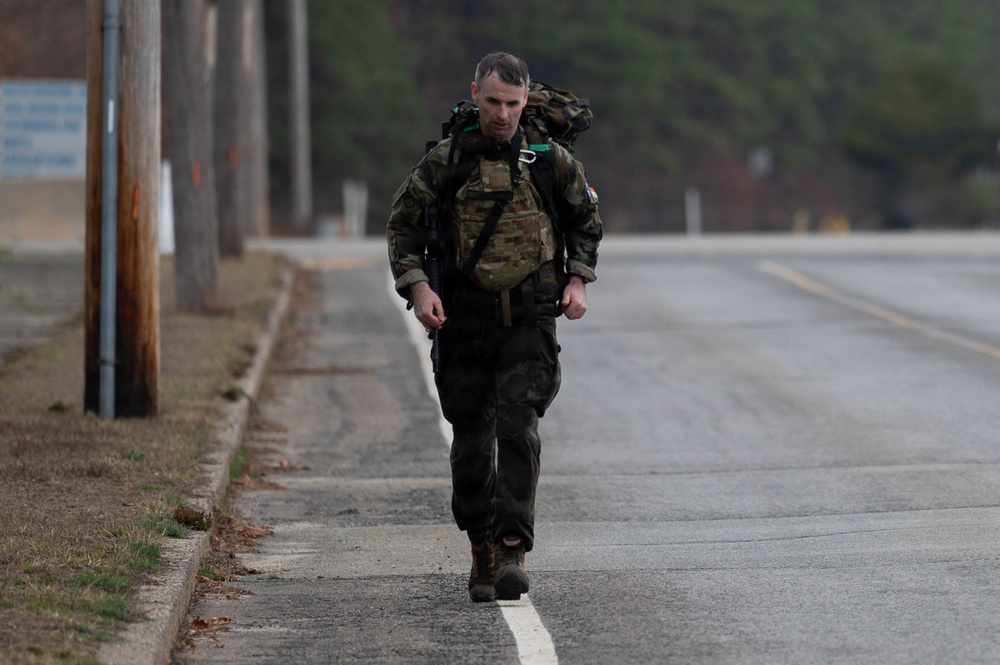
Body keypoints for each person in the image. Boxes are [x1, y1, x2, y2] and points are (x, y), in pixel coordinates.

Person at [386, 51, 602, 602]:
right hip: (463, 320)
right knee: (472, 443)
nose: (502, 114)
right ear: (475, 94)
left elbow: (585, 220)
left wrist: (577, 280)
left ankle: (511, 548)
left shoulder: (548, 159)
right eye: (492, 102)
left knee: (519, 431)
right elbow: (402, 226)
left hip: (529, 317)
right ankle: (480, 543)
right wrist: (419, 288)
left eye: (512, 103)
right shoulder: (448, 159)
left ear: (525, 100)